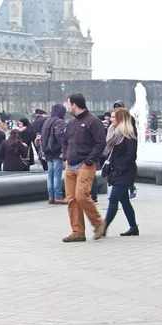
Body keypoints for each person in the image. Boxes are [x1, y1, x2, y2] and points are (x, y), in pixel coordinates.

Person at [61, 94, 107, 242]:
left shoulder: (93, 122)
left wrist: (89, 161)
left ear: (74, 105)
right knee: (72, 199)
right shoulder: (71, 123)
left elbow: (100, 143)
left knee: (81, 195)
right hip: (70, 165)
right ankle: (78, 232)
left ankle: (99, 223)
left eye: (68, 104)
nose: (67, 107)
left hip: (84, 165)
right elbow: (65, 141)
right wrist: (65, 157)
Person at [103, 108, 139, 237]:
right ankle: (134, 228)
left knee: (113, 199)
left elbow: (131, 155)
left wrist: (121, 168)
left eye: (113, 117)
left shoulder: (129, 134)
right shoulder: (114, 132)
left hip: (125, 172)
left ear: (121, 119)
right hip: (116, 171)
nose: (110, 119)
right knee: (124, 201)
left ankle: (103, 227)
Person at [41, 104, 67, 205]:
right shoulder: (59, 121)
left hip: (47, 152)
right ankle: (58, 196)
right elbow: (60, 136)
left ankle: (50, 196)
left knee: (50, 174)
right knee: (57, 175)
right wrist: (64, 148)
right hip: (56, 152)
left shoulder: (47, 121)